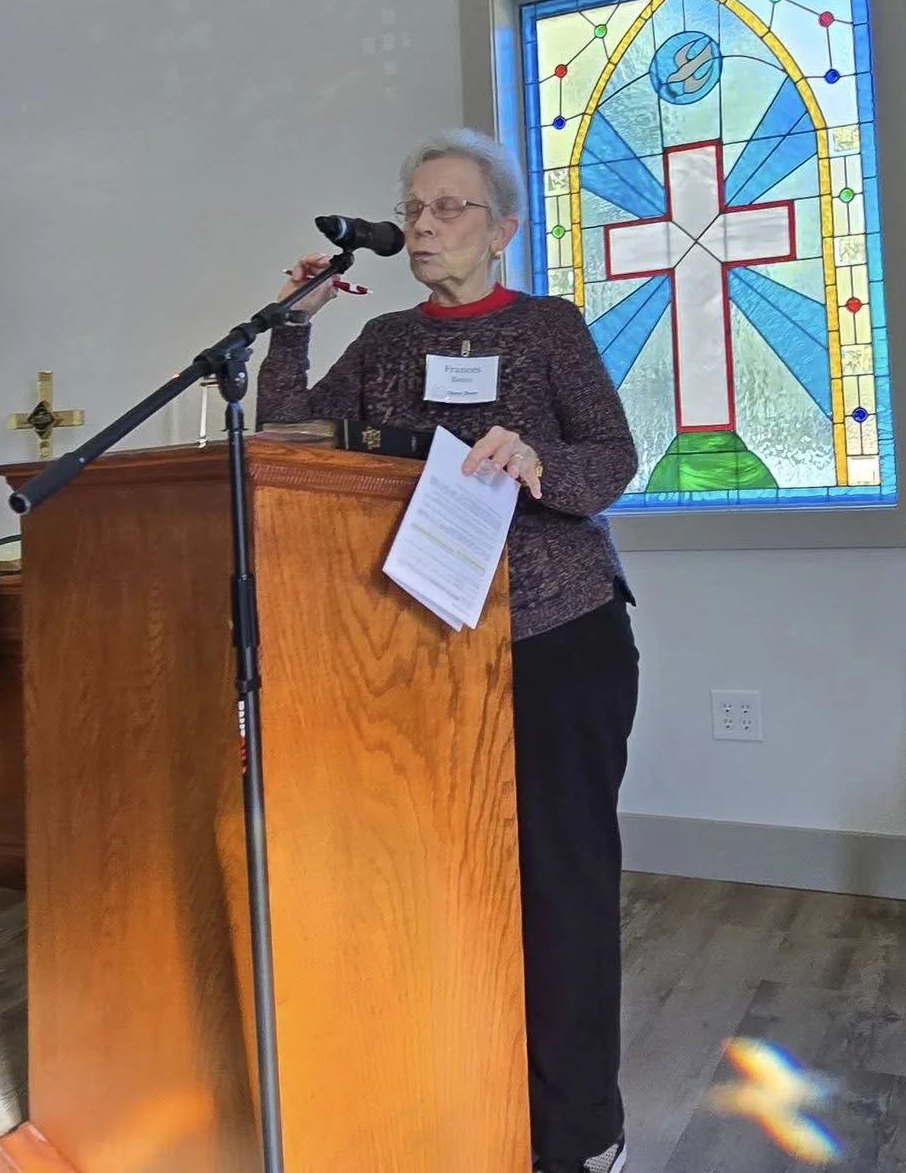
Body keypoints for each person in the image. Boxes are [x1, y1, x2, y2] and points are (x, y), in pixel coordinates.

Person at [257, 131, 640, 1173]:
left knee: (559, 884)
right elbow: (290, 441)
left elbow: (611, 456)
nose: (423, 225)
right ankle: (455, 1084)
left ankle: (573, 1131)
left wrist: (536, 459)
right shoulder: (383, 341)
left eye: (449, 208)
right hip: (423, 652)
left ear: (503, 229)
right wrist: (290, 333)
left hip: (557, 637)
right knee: (438, 883)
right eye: (414, 208)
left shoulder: (546, 328)